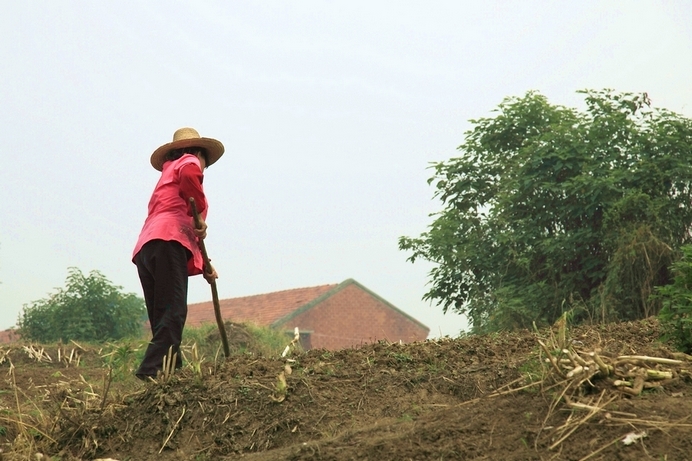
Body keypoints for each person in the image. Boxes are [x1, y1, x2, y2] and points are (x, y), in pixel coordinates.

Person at [132, 127, 224, 380]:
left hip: (148, 247)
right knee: (173, 313)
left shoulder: (165, 177)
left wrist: (205, 264)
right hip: (167, 242)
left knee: (163, 316)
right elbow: (190, 176)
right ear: (198, 152)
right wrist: (201, 210)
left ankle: (173, 373)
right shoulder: (189, 161)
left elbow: (183, 229)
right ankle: (150, 370)